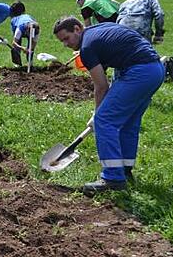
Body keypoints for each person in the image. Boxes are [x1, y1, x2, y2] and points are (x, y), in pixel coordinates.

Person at [53, 17, 165, 196]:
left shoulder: (87, 47)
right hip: (155, 69)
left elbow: (101, 86)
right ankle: (125, 171)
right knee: (128, 123)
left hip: (139, 71)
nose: (65, 44)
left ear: (77, 29)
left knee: (105, 121)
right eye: (62, 41)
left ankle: (113, 178)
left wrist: (97, 114)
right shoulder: (98, 31)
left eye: (66, 38)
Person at [9, 1, 40, 67]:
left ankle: (30, 63)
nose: (31, 36)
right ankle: (17, 64)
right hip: (17, 24)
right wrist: (22, 48)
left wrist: (29, 50)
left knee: (30, 47)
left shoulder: (37, 30)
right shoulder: (19, 28)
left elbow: (34, 43)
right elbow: (14, 43)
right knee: (17, 45)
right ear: (26, 31)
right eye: (29, 34)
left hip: (29, 26)